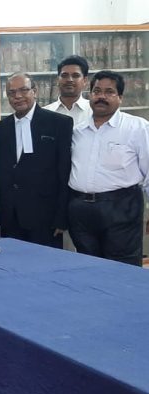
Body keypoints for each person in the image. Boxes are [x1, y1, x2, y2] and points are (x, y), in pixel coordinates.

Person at [68, 70, 149, 266]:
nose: (101, 97)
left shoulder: (137, 128)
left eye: (109, 92)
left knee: (121, 269)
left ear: (120, 97)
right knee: (87, 266)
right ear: (90, 95)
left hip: (121, 208)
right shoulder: (78, 131)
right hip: (81, 211)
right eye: (97, 91)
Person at [0, 73, 72, 248]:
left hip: (45, 216)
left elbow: (64, 172)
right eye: (12, 92)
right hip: (9, 216)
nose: (18, 96)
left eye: (24, 90)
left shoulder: (58, 123)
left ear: (35, 91)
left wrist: (62, 217)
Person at [44, 55, 92, 126]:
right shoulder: (45, 113)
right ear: (57, 80)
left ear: (85, 80)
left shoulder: (93, 112)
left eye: (75, 76)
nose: (69, 80)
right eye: (64, 75)